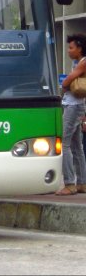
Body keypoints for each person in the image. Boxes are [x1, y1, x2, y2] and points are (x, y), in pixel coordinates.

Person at [57, 33, 86, 195]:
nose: (68, 51)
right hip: (75, 105)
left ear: (80, 48)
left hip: (73, 106)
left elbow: (67, 81)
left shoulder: (83, 63)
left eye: (71, 47)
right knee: (77, 146)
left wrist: (64, 85)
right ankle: (82, 182)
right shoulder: (78, 62)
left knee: (64, 144)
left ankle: (69, 183)